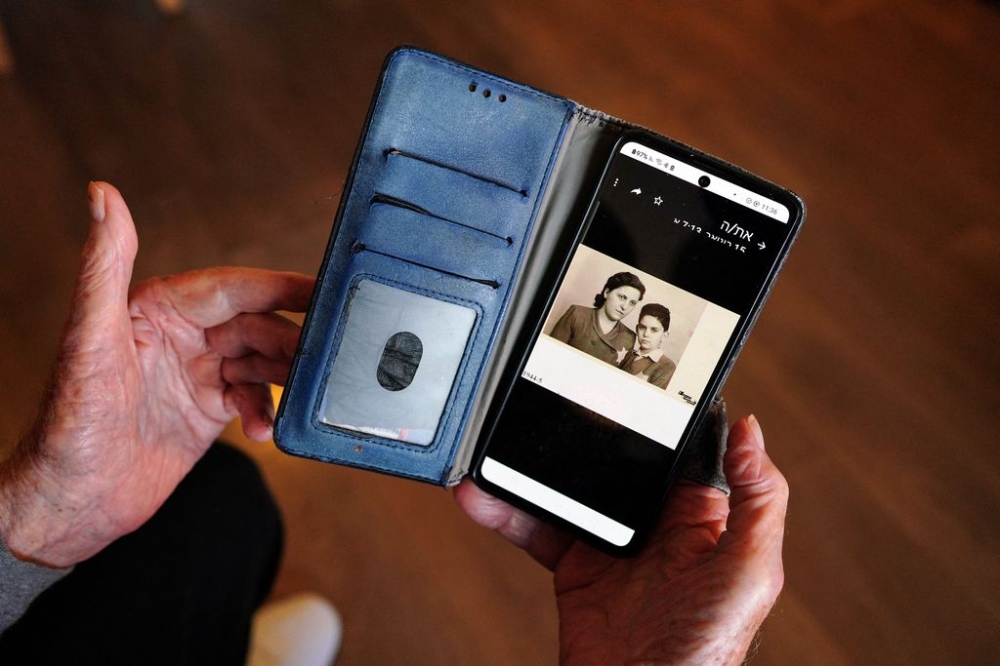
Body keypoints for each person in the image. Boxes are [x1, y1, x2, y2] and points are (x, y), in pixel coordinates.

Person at [0, 183, 789, 665]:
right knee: (216, 508)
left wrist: (47, 516)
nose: (628, 316)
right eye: (620, 302)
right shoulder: (580, 323)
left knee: (221, 497)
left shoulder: (638, 359)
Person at [549, 272, 645, 365]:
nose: (625, 306)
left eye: (632, 303)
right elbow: (549, 353)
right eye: (622, 297)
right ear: (607, 292)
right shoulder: (577, 314)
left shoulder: (629, 337)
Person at [618, 302, 677, 389]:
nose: (646, 334)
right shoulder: (628, 354)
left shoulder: (667, 365)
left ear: (664, 336)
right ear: (637, 329)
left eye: (654, 330)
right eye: (642, 328)